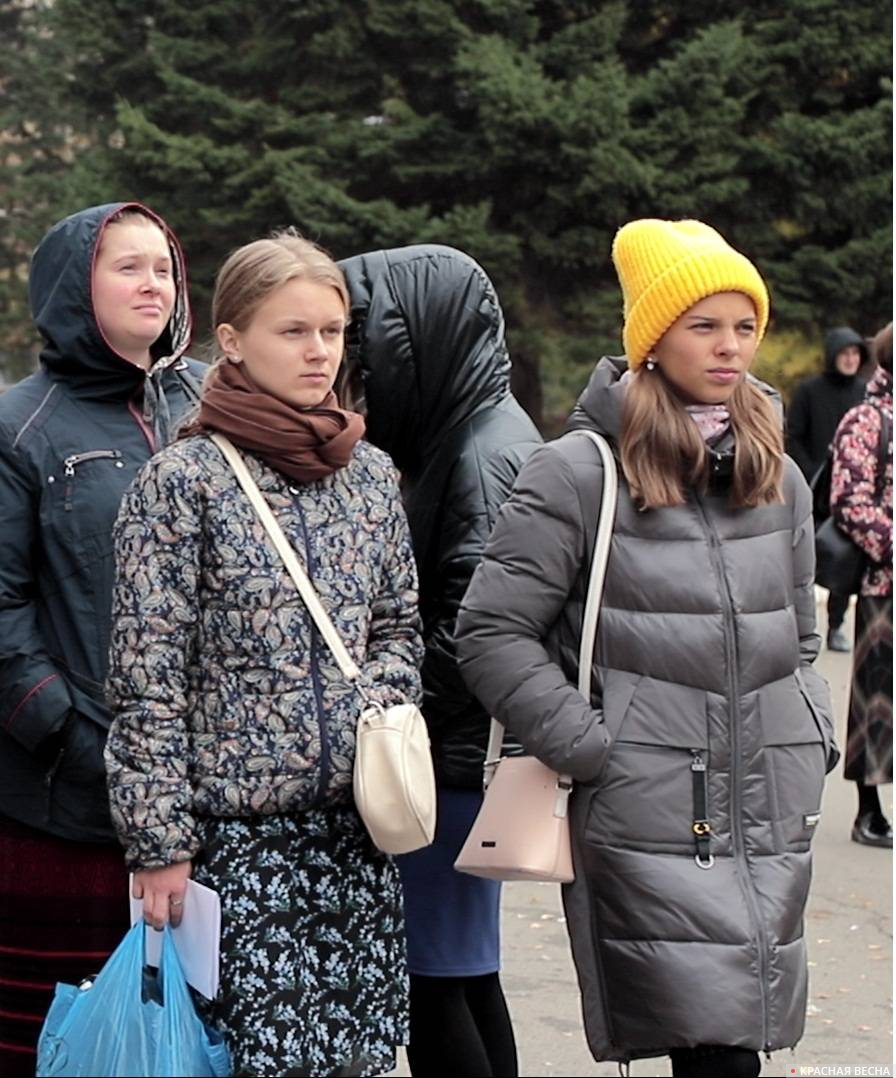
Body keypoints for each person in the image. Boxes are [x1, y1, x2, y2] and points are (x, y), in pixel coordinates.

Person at [456, 219, 835, 1077]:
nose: (731, 346)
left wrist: (809, 728)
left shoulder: (779, 472)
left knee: (742, 1045)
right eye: (705, 325)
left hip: (768, 806)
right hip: (648, 809)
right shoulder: (579, 472)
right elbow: (491, 630)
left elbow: (802, 637)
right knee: (715, 1050)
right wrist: (595, 746)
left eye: (745, 325)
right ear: (652, 339)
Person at [106, 232, 422, 1076]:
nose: (319, 351)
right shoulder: (183, 482)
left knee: (355, 1059)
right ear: (234, 340)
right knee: (248, 1058)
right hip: (236, 848)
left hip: (355, 837)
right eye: (294, 331)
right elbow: (146, 677)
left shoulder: (370, 476)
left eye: (333, 330)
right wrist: (159, 841)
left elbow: (397, 628)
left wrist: (369, 708)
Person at [0, 202, 203, 1076]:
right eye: (126, 266)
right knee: (62, 1048)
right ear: (73, 285)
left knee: (190, 1043)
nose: (153, 284)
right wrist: (78, 739)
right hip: (64, 804)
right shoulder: (17, 427)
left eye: (163, 267)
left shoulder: (211, 404)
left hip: (208, 795)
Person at [337, 244, 534, 1076]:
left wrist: (379, 702)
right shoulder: (478, 433)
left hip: (445, 765)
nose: (351, 366)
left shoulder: (479, 456)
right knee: (463, 976)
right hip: (460, 760)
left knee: (432, 986)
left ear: (414, 341)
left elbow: (470, 628)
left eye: (362, 344)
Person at [831, 323, 892, 846]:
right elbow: (850, 502)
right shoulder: (867, 419)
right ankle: (868, 811)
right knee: (878, 701)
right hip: (884, 583)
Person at [786, 325, 868, 651]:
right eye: (844, 353)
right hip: (812, 488)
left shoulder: (863, 392)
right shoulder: (809, 390)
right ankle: (794, 625)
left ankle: (835, 626)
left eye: (855, 354)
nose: (849, 360)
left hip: (848, 493)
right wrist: (810, 473)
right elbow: (793, 435)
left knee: (842, 559)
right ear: (833, 355)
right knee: (800, 557)